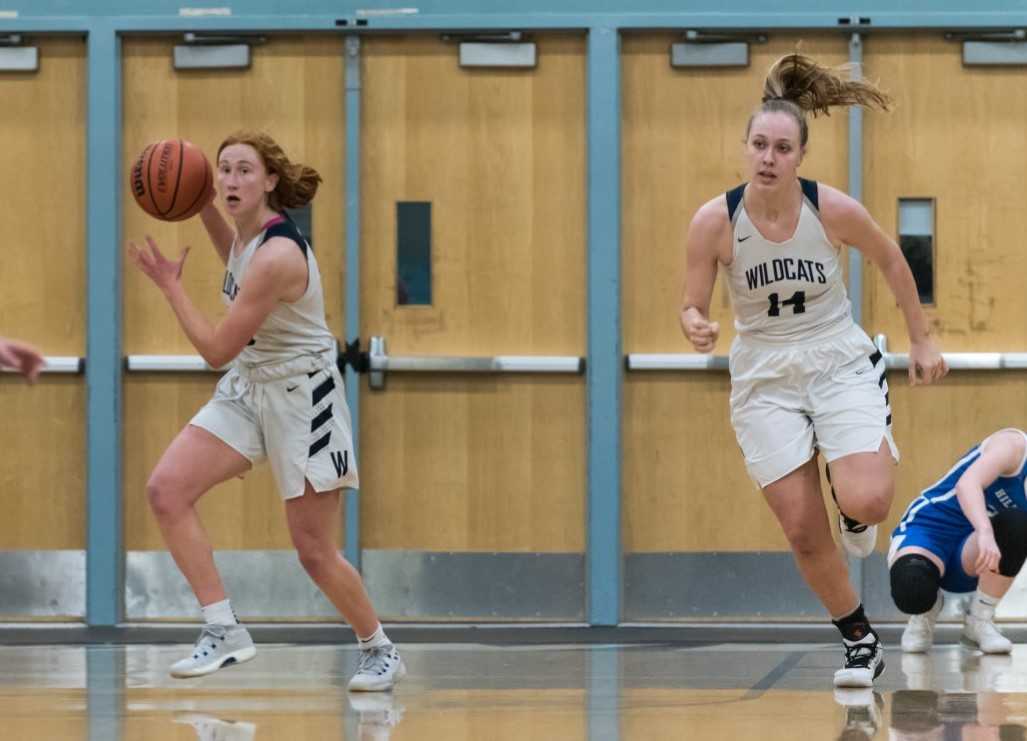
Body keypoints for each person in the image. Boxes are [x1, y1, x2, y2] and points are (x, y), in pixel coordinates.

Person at [679, 53, 947, 687]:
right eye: (758, 145)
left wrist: (923, 339)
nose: (768, 157)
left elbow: (892, 261)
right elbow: (691, 299)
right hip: (763, 372)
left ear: (801, 155)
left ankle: (853, 503)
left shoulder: (831, 209)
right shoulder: (715, 221)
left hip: (834, 356)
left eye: (782, 147)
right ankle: (858, 639)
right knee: (801, 528)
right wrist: (694, 321)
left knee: (869, 500)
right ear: (745, 150)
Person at [128, 130, 404, 691]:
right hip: (250, 387)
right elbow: (228, 253)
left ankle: (380, 649)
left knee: (313, 551)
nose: (231, 180)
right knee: (166, 491)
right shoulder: (246, 239)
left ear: (270, 181)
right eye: (223, 169)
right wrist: (198, 195)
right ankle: (223, 628)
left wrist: (170, 286)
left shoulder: (278, 254)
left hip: (304, 399)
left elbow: (215, 351)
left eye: (244, 171)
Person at [890, 428, 1027, 656]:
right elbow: (967, 485)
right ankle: (925, 609)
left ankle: (979, 620)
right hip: (931, 527)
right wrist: (985, 531)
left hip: (974, 552)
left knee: (1018, 524)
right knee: (912, 590)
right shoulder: (1014, 446)